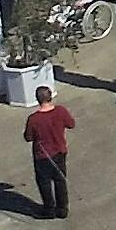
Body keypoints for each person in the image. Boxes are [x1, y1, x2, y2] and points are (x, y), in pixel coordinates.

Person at [23, 84, 74, 218]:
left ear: (37, 99)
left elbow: (28, 137)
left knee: (44, 182)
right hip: (59, 151)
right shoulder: (61, 111)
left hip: (42, 155)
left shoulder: (33, 119)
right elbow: (71, 124)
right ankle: (62, 209)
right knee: (60, 181)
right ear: (50, 97)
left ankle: (49, 209)